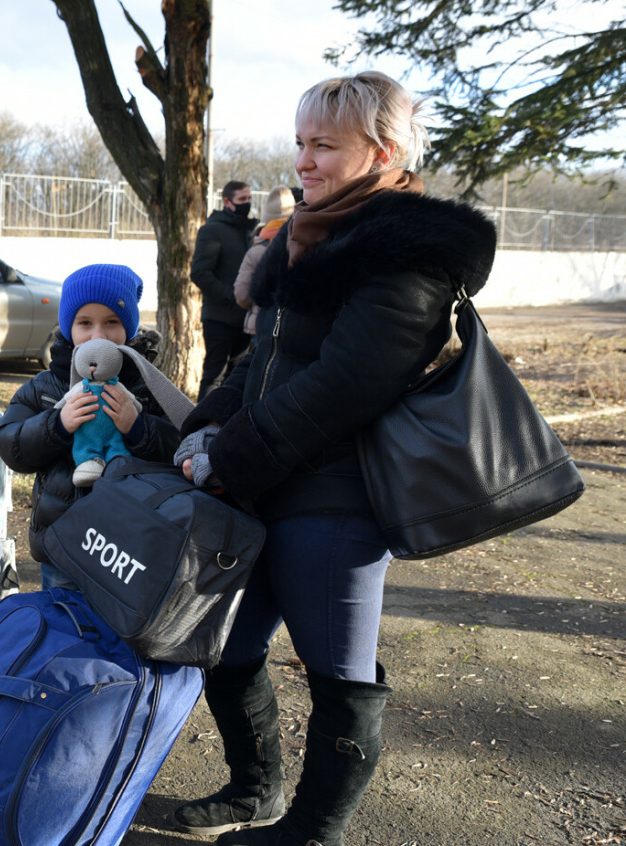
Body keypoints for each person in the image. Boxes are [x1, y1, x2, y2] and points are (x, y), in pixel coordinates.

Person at [172, 71, 497, 845]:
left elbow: (347, 383)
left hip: (336, 501)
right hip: (260, 485)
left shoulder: (409, 251)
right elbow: (264, 358)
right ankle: (256, 790)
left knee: (339, 678)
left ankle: (314, 832)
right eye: (300, 143)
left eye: (323, 145)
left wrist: (234, 455)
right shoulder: (308, 233)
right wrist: (208, 422)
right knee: (227, 650)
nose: (303, 161)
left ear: (383, 152)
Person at [0, 264, 180, 590]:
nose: (98, 336)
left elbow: (179, 449)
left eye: (112, 322)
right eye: (85, 323)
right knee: (62, 617)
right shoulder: (45, 386)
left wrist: (139, 428)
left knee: (118, 621)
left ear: (130, 328)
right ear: (68, 329)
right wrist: (56, 425)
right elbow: (10, 445)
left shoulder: (149, 387)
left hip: (129, 547)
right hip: (62, 541)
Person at [191, 180, 256, 401]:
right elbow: (200, 273)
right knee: (214, 376)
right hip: (219, 318)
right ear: (227, 202)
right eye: (242, 199)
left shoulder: (250, 231)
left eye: (249, 198)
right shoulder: (212, 230)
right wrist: (230, 295)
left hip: (244, 318)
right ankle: (200, 420)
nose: (247, 203)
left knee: (236, 377)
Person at [233, 187, 296, 337]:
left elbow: (241, 294)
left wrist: (257, 305)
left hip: (261, 325)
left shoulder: (256, 251)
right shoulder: (301, 245)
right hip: (292, 327)